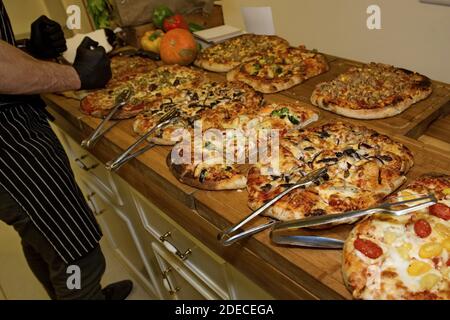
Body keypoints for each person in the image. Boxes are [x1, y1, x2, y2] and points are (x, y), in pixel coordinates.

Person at [0, 0, 133, 300]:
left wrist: (30, 54)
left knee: (43, 240)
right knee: (78, 258)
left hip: (15, 134)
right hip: (9, 147)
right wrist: (77, 77)